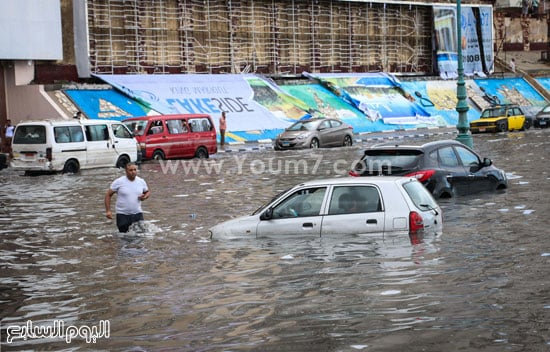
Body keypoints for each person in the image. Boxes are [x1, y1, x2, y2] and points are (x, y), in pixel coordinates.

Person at [105, 163, 150, 232]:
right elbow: (108, 195)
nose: (133, 172)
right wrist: (108, 211)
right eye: (131, 170)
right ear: (126, 171)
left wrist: (144, 197)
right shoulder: (119, 182)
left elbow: (147, 192)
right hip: (122, 215)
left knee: (140, 237)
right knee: (124, 237)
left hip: (137, 214)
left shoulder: (141, 181)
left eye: (135, 170)